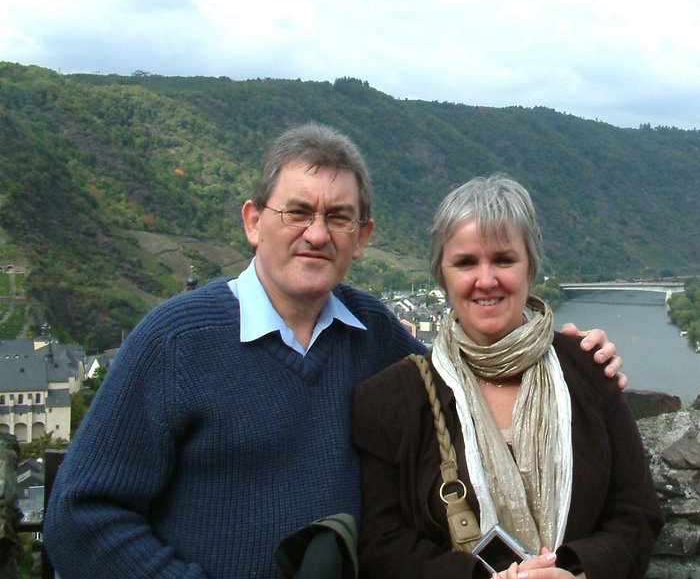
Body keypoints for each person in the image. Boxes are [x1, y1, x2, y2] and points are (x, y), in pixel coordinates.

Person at [44, 125, 625, 579]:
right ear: (253, 221)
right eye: (296, 211)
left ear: (362, 237)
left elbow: (471, 368)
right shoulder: (174, 342)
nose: (317, 234)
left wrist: (569, 354)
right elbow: (81, 516)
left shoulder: (378, 337)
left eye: (338, 217)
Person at [353, 174, 663, 579]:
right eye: (465, 262)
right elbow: (382, 543)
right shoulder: (392, 400)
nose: (486, 280)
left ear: (530, 265)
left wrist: (576, 573)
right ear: (442, 275)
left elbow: (636, 514)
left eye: (503, 259)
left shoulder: (587, 372)